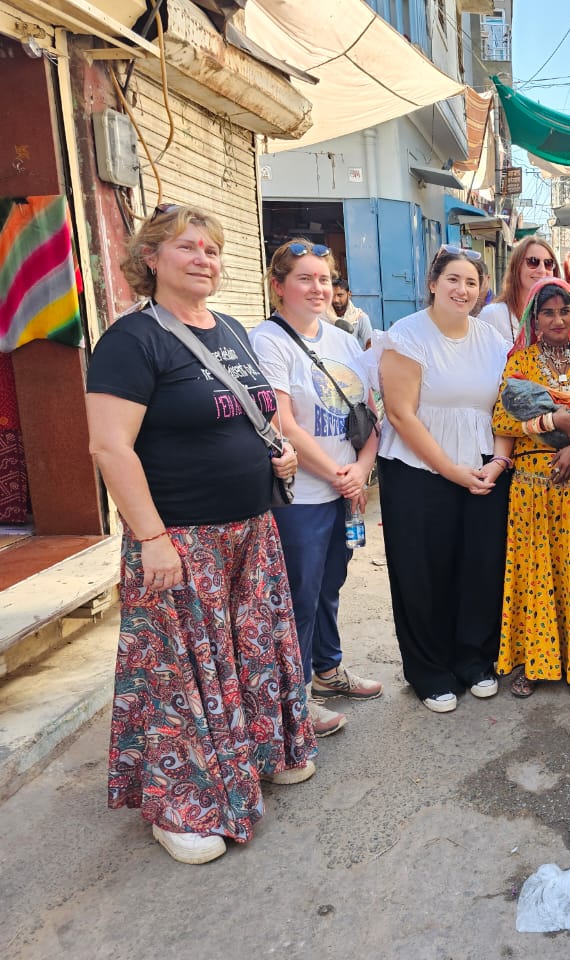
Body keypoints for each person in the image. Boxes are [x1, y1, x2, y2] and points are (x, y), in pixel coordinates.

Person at [85, 204, 312, 865]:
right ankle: (181, 804)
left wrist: (277, 455)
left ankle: (255, 755)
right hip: (181, 539)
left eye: (212, 249)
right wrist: (151, 536)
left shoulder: (232, 328)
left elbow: (250, 414)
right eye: (187, 247)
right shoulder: (132, 341)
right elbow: (109, 447)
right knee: (181, 673)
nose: (203, 259)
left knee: (246, 656)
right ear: (150, 258)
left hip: (250, 529)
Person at [250, 240, 383, 739]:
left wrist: (361, 470)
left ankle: (328, 669)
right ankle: (296, 696)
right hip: (301, 496)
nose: (317, 288)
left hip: (344, 490)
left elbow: (370, 414)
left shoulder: (344, 340)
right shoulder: (269, 341)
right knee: (299, 596)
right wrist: (338, 474)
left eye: (324, 279)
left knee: (330, 585)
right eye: (304, 278)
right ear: (278, 286)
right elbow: (282, 422)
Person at [378, 245, 513, 713]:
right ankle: (429, 669)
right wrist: (449, 469)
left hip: (482, 466)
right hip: (418, 469)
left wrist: (498, 462)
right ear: (433, 283)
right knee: (422, 570)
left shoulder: (493, 340)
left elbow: (506, 410)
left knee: (479, 565)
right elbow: (401, 413)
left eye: (472, 282)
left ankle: (473, 659)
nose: (462, 289)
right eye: (453, 279)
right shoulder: (407, 335)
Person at [492, 277, 570, 698]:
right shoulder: (521, 361)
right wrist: (551, 421)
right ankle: (536, 662)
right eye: (548, 312)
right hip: (533, 490)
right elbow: (502, 419)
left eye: (565, 311)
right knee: (538, 575)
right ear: (534, 319)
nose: (558, 319)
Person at [478, 236, 560, 347]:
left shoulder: (559, 317)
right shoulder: (493, 315)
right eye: (533, 262)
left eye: (548, 263)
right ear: (517, 267)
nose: (542, 270)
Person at [329, 275, 373, 348]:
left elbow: (370, 344)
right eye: (332, 295)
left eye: (340, 295)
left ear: (349, 294)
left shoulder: (360, 317)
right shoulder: (322, 316)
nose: (335, 300)